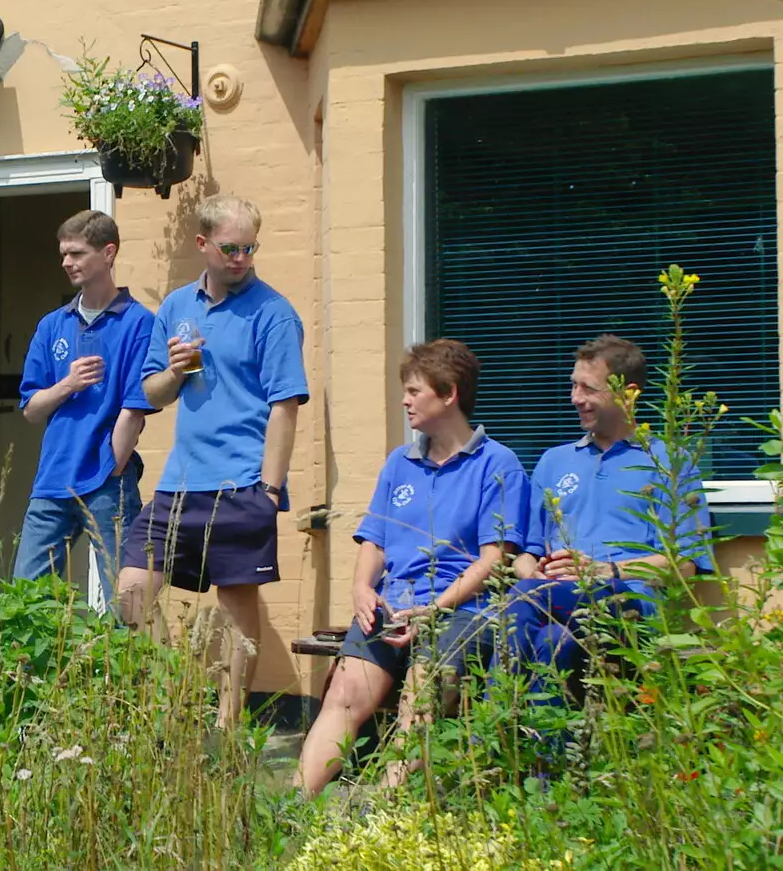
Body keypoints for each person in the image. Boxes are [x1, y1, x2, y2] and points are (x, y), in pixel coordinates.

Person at [295, 340, 529, 796]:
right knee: (344, 694)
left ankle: (379, 812)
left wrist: (434, 610)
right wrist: (362, 588)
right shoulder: (399, 463)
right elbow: (374, 541)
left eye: (414, 391)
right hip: (392, 603)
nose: (404, 400)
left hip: (461, 611)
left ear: (449, 394)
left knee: (420, 698)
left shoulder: (498, 465)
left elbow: (494, 558)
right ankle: (295, 807)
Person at [117, 193, 309, 729]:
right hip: (180, 482)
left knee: (233, 607)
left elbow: (285, 405)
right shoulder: (176, 308)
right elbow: (152, 394)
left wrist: (269, 492)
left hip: (243, 480)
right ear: (202, 245)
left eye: (250, 248)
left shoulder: (273, 313)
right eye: (230, 248)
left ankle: (227, 723)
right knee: (132, 591)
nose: (242, 258)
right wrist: (175, 372)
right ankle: (174, 696)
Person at [506, 334, 712, 720]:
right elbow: (526, 553)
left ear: (627, 393)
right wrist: (532, 572)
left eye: (588, 388)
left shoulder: (672, 462)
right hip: (549, 602)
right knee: (553, 641)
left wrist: (603, 571)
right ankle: (546, 768)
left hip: (628, 610)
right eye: (573, 384)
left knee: (522, 605)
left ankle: (491, 733)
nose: (575, 397)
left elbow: (684, 566)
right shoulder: (553, 461)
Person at [12, 210, 154, 606]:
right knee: (26, 598)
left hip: (108, 481)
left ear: (108, 253)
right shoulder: (52, 325)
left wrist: (115, 464)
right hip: (52, 479)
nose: (66, 262)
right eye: (63, 254)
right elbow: (32, 410)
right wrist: (68, 384)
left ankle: (121, 668)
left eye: (76, 253)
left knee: (124, 599)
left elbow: (135, 408)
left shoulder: (140, 323)